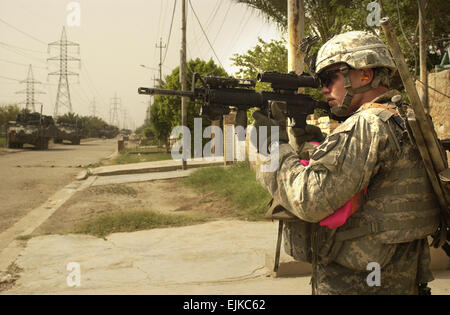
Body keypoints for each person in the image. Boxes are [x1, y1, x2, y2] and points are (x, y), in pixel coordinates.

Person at [253, 31, 440, 295]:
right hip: (398, 277)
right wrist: (311, 146)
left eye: (330, 78)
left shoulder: (367, 125)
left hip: (357, 284)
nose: (324, 89)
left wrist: (272, 148)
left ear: (364, 75)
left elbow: (310, 200)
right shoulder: (403, 117)